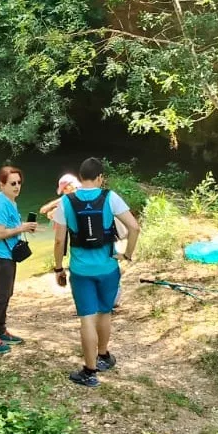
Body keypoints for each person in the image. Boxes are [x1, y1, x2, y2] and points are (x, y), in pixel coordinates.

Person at [52, 157, 140, 387]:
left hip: (81, 271)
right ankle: (103, 356)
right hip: (108, 268)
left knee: (87, 319)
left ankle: (90, 372)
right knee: (105, 312)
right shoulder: (110, 197)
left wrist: (58, 268)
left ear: (81, 178)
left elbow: (59, 239)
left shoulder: (66, 202)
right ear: (100, 177)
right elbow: (134, 227)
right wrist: (127, 254)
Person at [0, 165, 38, 354]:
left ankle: (0, 330)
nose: (16, 187)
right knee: (0, 297)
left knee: (6, 294)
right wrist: (22, 228)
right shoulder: (0, 203)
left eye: (19, 183)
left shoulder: (10, 200)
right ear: (1, 185)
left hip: (6, 255)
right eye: (12, 183)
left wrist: (25, 227)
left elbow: (10, 226)